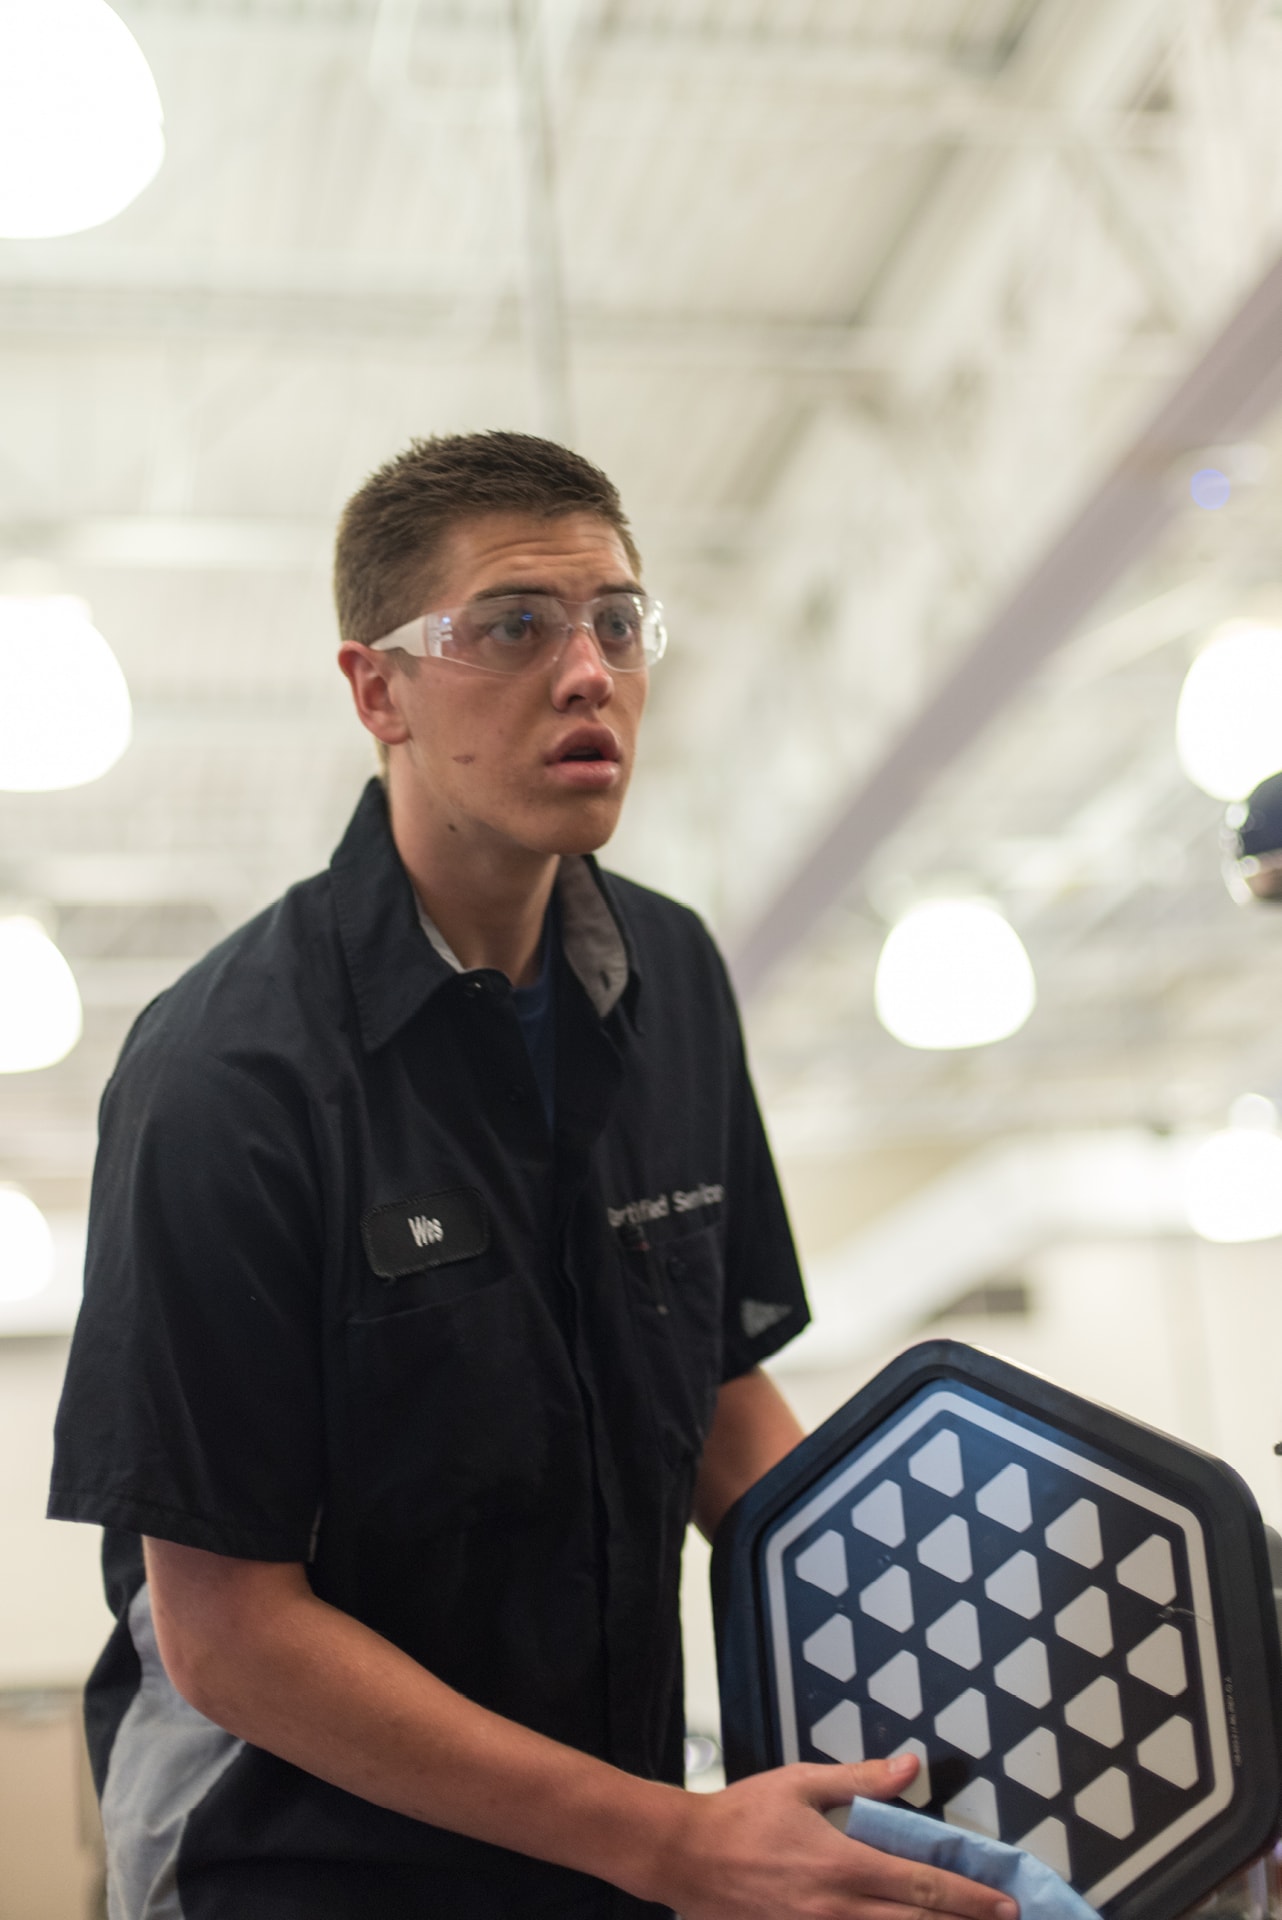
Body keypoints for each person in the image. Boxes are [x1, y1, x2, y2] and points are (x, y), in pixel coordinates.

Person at [49, 432, 1018, 1920]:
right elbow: (228, 1635)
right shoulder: (226, 1078)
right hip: (297, 1864)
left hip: (603, 1833)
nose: (587, 674)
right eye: (513, 626)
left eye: (617, 624)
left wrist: (982, 1648)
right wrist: (669, 1841)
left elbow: (711, 1401)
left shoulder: (671, 977)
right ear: (376, 687)